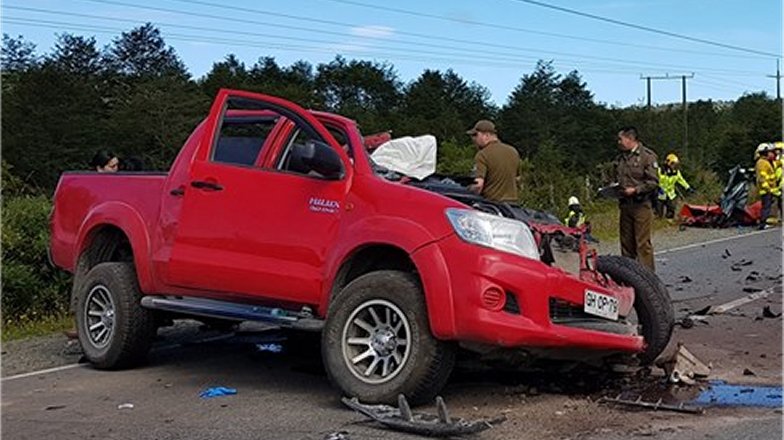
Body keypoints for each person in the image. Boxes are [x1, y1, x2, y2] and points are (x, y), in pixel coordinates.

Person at [614, 126, 659, 272]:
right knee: (626, 244)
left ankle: (648, 276)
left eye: (621, 139)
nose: (619, 142)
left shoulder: (647, 156)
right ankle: (629, 275)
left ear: (630, 139)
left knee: (642, 243)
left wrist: (635, 190)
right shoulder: (621, 158)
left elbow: (653, 182)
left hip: (641, 205)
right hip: (625, 205)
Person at [466, 120, 521, 203]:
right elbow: (517, 178)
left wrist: (467, 191)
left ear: (486, 135)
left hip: (491, 205)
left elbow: (478, 185)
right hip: (512, 206)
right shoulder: (513, 151)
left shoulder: (483, 154)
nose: (474, 139)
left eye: (476, 135)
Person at [656, 153, 693, 219]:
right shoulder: (660, 170)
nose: (674, 166)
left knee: (671, 208)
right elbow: (654, 179)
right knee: (659, 210)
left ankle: (669, 221)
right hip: (660, 193)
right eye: (673, 164)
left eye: (675, 164)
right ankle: (659, 221)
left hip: (670, 194)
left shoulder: (676, 172)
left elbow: (681, 180)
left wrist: (688, 187)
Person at [755, 143, 779, 229]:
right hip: (766, 190)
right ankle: (762, 224)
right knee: (766, 207)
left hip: (768, 189)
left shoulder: (765, 162)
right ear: (765, 153)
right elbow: (762, 178)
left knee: (767, 206)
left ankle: (765, 222)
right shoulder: (762, 163)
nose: (770, 153)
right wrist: (768, 189)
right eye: (768, 152)